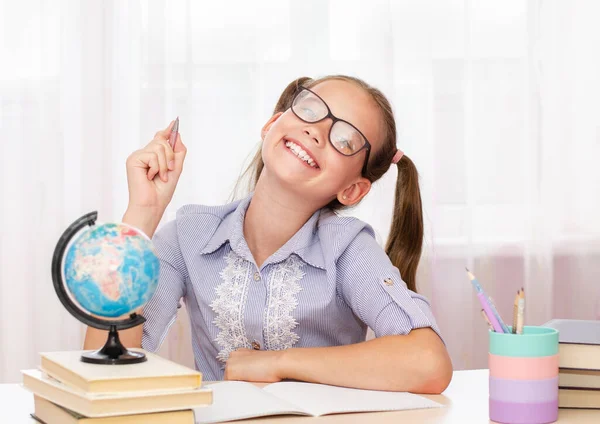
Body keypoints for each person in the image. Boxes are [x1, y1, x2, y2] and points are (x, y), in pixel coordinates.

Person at [85, 75, 452, 393]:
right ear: (272, 124)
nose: (317, 130)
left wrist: (278, 363)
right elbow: (106, 366)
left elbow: (429, 363)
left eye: (345, 139)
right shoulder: (189, 235)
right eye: (309, 109)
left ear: (352, 190)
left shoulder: (348, 249)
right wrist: (142, 215)